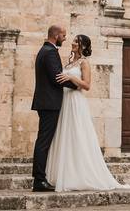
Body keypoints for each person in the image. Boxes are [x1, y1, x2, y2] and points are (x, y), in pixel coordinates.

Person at [46, 33, 130, 192]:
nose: (73, 43)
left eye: (77, 41)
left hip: (76, 101)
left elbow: (87, 85)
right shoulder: (69, 62)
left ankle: (81, 175)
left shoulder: (84, 63)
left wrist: (70, 77)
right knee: (65, 136)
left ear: (83, 46)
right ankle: (66, 173)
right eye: (74, 40)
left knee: (78, 135)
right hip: (65, 101)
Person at [31, 24, 77, 192]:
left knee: (43, 140)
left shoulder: (45, 50)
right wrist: (78, 85)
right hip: (49, 103)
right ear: (56, 35)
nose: (65, 38)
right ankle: (39, 180)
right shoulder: (50, 53)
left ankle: (40, 178)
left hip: (46, 102)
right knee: (44, 141)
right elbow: (57, 78)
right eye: (63, 35)